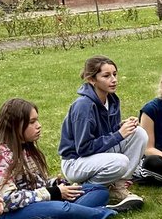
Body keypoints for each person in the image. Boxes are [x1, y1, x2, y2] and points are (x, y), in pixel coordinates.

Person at [0, 98, 124, 219]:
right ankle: (106, 213)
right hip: (2, 216)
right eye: (32, 122)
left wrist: (55, 184)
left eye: (37, 120)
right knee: (60, 208)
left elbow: (33, 185)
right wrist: (53, 192)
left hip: (30, 203)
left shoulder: (24, 146)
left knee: (98, 190)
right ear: (14, 125)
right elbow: (7, 200)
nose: (39, 125)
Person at [58, 55, 147, 209]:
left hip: (97, 156)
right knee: (121, 162)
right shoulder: (83, 106)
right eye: (106, 76)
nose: (113, 79)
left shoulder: (111, 99)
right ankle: (84, 189)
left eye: (114, 74)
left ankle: (117, 186)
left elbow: (106, 133)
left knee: (139, 133)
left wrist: (122, 126)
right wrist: (119, 134)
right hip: (75, 162)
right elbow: (84, 148)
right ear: (92, 80)